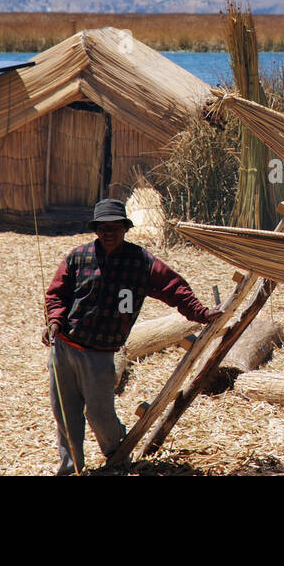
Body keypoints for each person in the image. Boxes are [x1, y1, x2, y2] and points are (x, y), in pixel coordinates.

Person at [42, 198, 224, 475]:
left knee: (99, 414)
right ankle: (70, 468)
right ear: (96, 230)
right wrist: (54, 322)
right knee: (65, 414)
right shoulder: (77, 258)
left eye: (115, 227)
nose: (109, 232)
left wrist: (200, 313)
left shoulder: (140, 262)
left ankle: (117, 456)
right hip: (64, 348)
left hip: (100, 354)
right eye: (103, 227)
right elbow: (56, 295)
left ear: (125, 229)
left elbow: (174, 288)